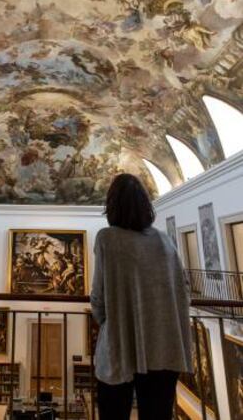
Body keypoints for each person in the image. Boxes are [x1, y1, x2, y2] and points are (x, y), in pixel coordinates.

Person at [90, 173, 192, 420]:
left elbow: (99, 298)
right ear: (146, 204)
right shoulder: (164, 240)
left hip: (120, 344)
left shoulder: (107, 238)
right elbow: (184, 290)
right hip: (163, 344)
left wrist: (112, 322)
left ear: (111, 205)